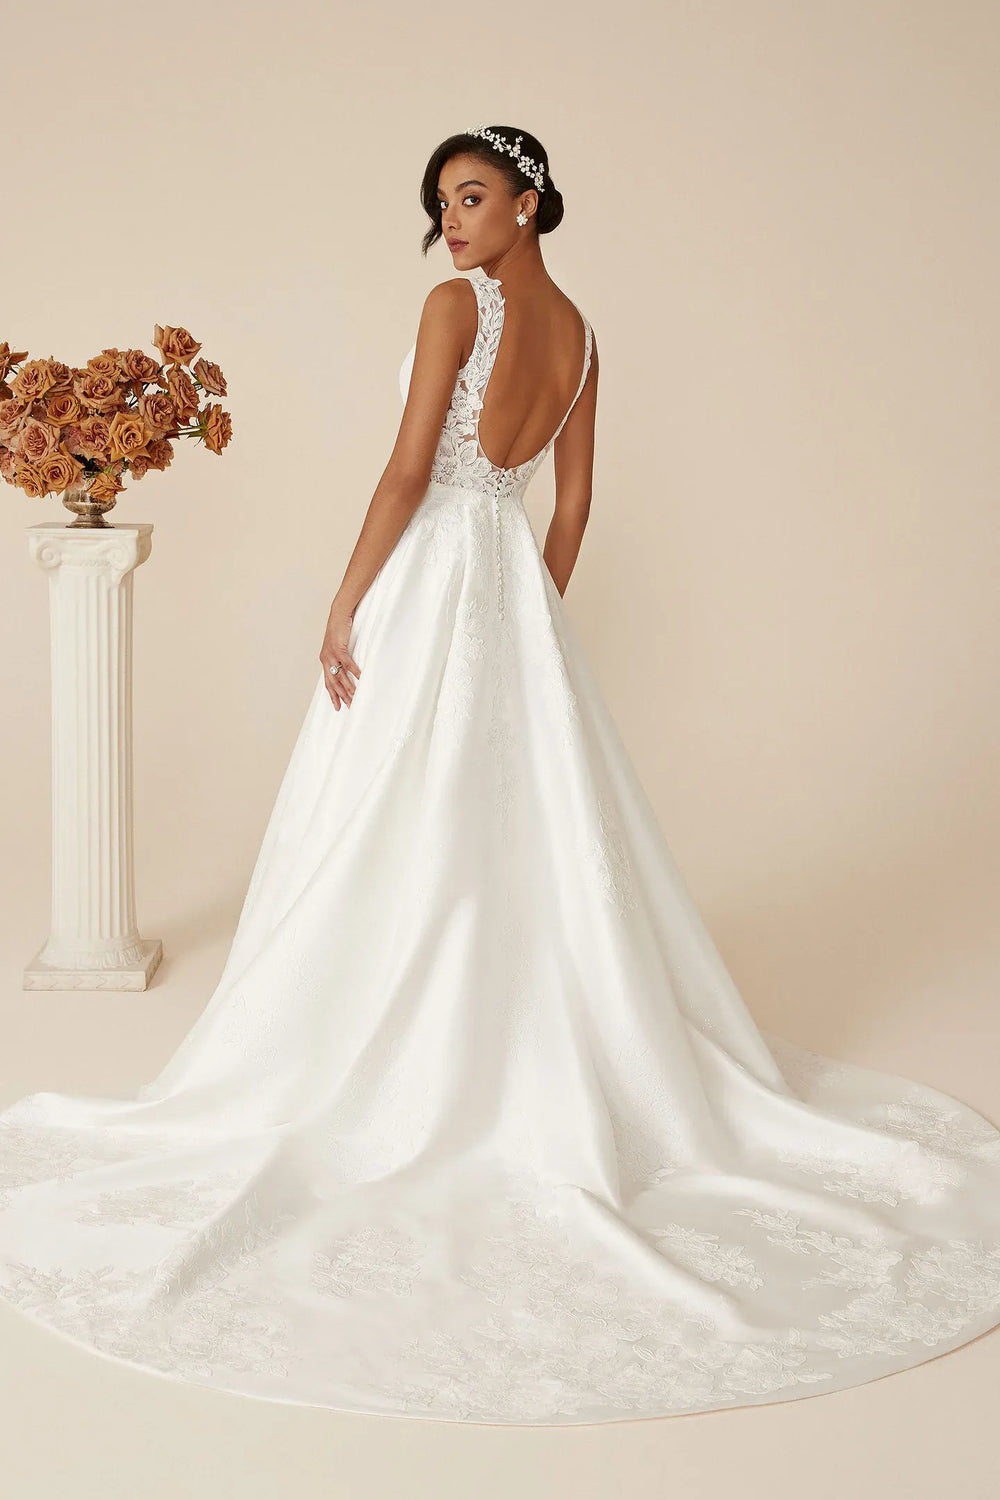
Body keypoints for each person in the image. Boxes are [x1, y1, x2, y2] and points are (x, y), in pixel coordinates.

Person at [0, 124, 998, 1427]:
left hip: (428, 581)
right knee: (512, 830)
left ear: (529, 201)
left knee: (378, 821)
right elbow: (569, 505)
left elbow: (412, 468)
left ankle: (385, 1055)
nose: (453, 223)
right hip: (511, 591)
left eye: (472, 197)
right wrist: (526, 620)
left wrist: (348, 602)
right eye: (441, 205)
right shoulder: (583, 337)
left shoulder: (453, 305)